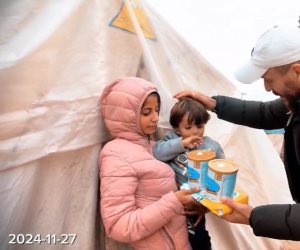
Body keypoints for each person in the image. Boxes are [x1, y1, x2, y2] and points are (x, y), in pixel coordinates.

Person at [173, 25, 300, 241]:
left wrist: (253, 216)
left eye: (268, 79)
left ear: (297, 70)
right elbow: (267, 113)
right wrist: (214, 104)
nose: (268, 88)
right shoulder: (294, 100)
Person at [99, 77, 200, 250]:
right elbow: (118, 225)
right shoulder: (115, 154)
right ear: (126, 115)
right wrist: (174, 202)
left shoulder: (155, 146)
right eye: (146, 112)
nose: (155, 118)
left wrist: (192, 204)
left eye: (156, 110)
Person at [153, 98, 225, 250]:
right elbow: (157, 153)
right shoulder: (171, 140)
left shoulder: (211, 145)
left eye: (200, 126)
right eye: (188, 127)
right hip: (173, 200)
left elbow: (221, 172)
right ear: (177, 128)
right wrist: (182, 144)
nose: (195, 131)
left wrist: (208, 203)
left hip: (198, 202)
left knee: (198, 236)